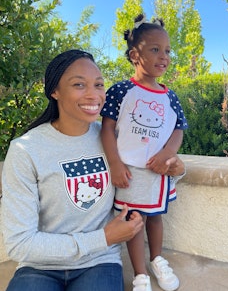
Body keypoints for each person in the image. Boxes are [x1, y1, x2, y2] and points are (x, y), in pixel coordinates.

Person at [1, 49, 144, 291]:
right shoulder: (25, 150)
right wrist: (103, 238)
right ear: (54, 91)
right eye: (79, 84)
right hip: (39, 267)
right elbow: (20, 244)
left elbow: (147, 165)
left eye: (99, 85)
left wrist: (175, 168)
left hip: (99, 262)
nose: (94, 94)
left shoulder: (112, 139)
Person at [101, 14, 188, 291]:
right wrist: (114, 164)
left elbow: (178, 128)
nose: (164, 56)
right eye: (155, 49)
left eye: (167, 51)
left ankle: (157, 259)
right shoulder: (121, 91)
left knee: (155, 216)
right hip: (129, 172)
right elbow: (107, 130)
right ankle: (140, 273)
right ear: (134, 54)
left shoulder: (169, 95)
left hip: (158, 173)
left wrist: (167, 154)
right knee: (134, 220)